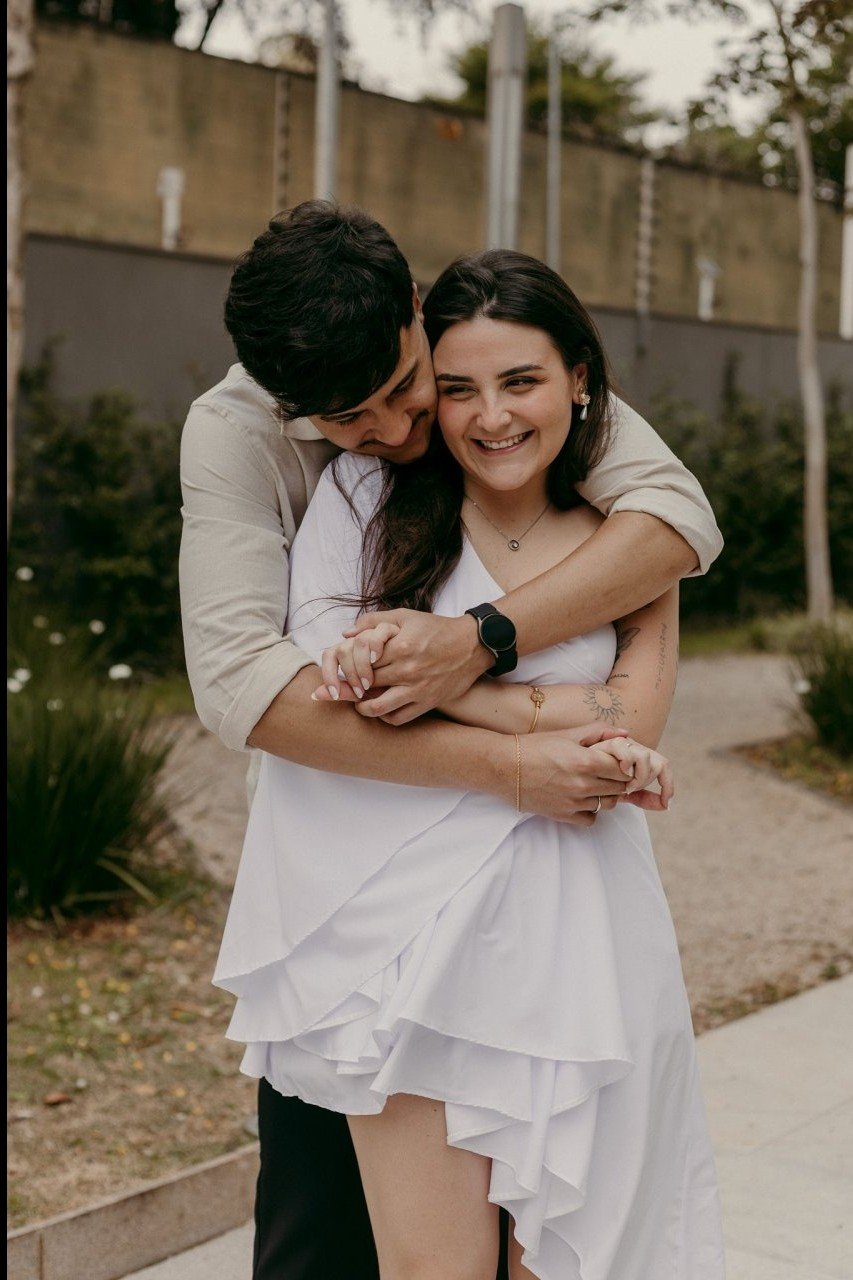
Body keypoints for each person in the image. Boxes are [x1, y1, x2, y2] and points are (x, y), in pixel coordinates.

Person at [179, 202, 723, 1280]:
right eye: (347, 417)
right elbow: (245, 684)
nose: (394, 429)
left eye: (401, 389)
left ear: (414, 312)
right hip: (360, 875)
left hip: (568, 908)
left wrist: (476, 646)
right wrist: (515, 753)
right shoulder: (257, 444)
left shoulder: (496, 359)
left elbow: (670, 525)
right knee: (321, 1237)